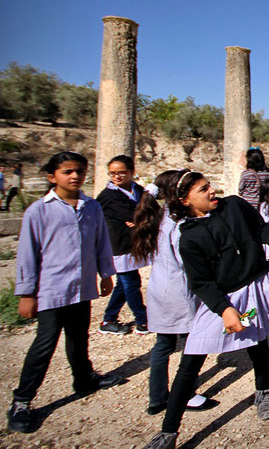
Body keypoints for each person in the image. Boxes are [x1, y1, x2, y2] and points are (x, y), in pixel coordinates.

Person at [144, 172, 269, 449]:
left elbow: (260, 227)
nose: (212, 191)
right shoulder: (188, 236)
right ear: (185, 200)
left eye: (210, 185)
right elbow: (201, 283)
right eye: (204, 189)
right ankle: (168, 432)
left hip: (254, 287)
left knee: (258, 342)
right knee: (190, 361)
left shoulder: (234, 205)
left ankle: (263, 391)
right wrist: (225, 309)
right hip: (221, 300)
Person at [7, 152, 123, 434]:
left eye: (80, 171)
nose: (75, 176)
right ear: (52, 177)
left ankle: (83, 380)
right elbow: (28, 254)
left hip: (81, 288)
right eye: (67, 171)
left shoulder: (91, 207)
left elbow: (100, 242)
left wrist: (106, 274)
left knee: (78, 336)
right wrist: (27, 293)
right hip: (50, 290)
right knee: (44, 344)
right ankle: (22, 400)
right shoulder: (39, 210)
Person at [131, 170, 218, 417]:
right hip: (180, 292)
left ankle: (157, 398)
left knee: (163, 345)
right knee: (193, 345)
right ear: (181, 197)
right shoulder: (180, 226)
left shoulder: (161, 216)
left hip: (161, 289)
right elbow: (189, 262)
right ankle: (186, 393)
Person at [97, 155, 148, 335]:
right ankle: (143, 320)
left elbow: (150, 210)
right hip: (118, 245)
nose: (117, 177)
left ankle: (109, 319)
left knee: (124, 283)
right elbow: (136, 213)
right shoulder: (108, 196)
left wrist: (141, 219)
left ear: (131, 172)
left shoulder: (137, 189)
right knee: (131, 282)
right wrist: (140, 218)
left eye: (121, 173)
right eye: (113, 173)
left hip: (132, 244)